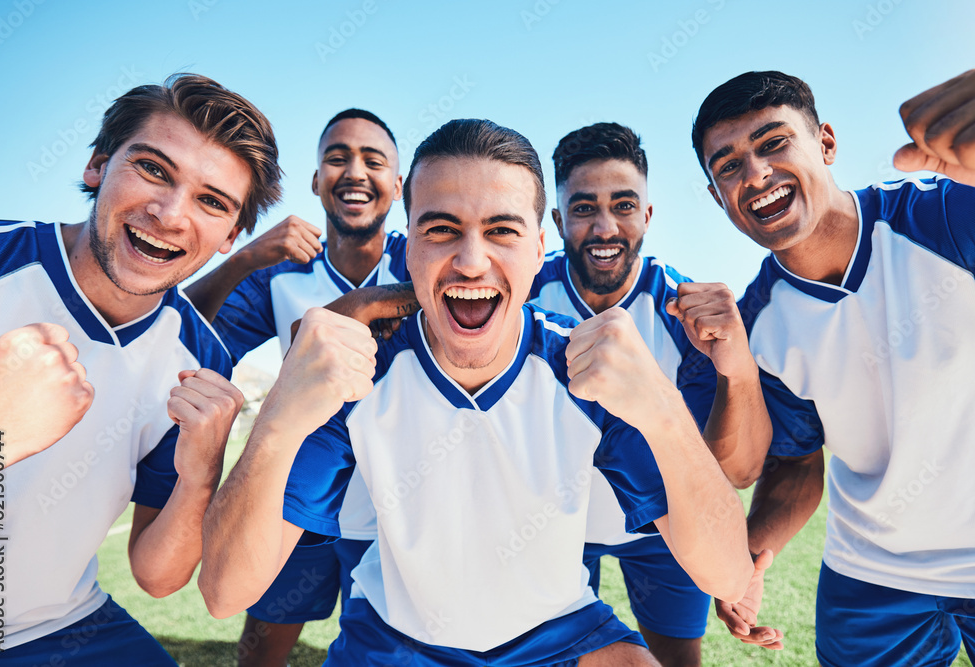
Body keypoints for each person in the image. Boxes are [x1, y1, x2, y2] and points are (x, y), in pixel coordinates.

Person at [200, 118, 754, 666]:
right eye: (441, 229)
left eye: (502, 231)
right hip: (397, 639)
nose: (470, 261)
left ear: (540, 249)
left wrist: (662, 407)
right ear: (408, 246)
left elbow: (727, 572)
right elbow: (225, 593)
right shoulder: (361, 373)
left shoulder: (581, 369)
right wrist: (279, 411)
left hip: (557, 631)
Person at [0, 73, 281, 663]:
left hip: (56, 627)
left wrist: (198, 481)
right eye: (154, 170)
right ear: (98, 166)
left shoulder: (200, 360)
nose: (169, 214)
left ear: (231, 235)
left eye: (211, 201)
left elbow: (158, 577)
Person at [692, 69, 975, 666]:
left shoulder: (948, 216)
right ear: (717, 196)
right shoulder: (756, 324)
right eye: (729, 166)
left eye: (773, 143)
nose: (756, 174)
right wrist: (750, 556)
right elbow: (795, 463)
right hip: (870, 574)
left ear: (825, 143)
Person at [529, 122, 773, 666]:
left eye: (624, 205)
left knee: (676, 657)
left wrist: (738, 368)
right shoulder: (523, 296)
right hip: (553, 524)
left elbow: (736, 468)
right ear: (557, 220)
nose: (605, 226)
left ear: (648, 214)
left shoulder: (685, 312)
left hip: (660, 526)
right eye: (585, 208)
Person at [186, 108, 411, 667]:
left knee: (389, 647)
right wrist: (245, 256)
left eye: (373, 160)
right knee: (260, 647)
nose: (355, 171)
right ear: (315, 181)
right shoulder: (281, 271)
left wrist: (364, 304)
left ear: (399, 185)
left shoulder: (421, 256)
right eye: (337, 158)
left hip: (396, 494)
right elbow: (183, 335)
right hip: (298, 488)